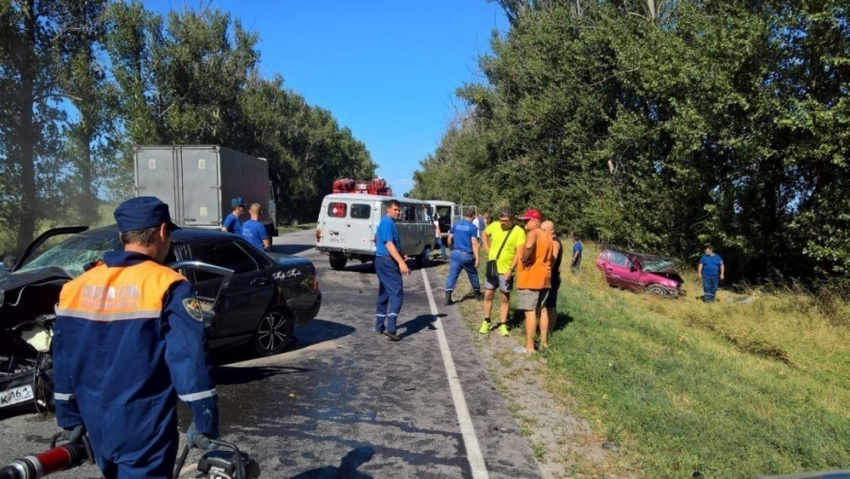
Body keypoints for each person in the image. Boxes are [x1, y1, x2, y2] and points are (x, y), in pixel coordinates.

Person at [52, 196, 219, 479]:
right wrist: (205, 419)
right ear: (163, 231)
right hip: (145, 428)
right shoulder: (168, 285)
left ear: (122, 235)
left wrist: (68, 417)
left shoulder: (75, 287)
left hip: (98, 424)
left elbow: (62, 360)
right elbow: (189, 361)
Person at [480, 207, 526, 336]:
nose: (502, 223)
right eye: (501, 220)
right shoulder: (494, 225)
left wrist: (511, 269)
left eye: (505, 220)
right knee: (488, 294)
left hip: (506, 269)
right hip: (493, 267)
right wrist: (487, 247)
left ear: (511, 220)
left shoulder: (518, 231)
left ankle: (503, 324)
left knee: (505, 298)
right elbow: (484, 233)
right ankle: (486, 320)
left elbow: (519, 253)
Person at [515, 209, 553, 353]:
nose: (524, 222)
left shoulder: (533, 233)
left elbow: (529, 246)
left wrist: (524, 259)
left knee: (529, 311)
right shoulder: (548, 235)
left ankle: (529, 346)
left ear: (536, 222)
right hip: (544, 277)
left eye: (527, 220)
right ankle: (543, 343)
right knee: (542, 310)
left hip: (531, 278)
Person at [375, 200, 410, 341]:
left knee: (384, 293)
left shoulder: (389, 223)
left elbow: (393, 243)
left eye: (399, 210)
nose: (398, 212)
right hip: (387, 262)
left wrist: (401, 254)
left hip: (383, 261)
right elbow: (389, 244)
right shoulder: (387, 222)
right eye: (395, 209)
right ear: (388, 210)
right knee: (397, 294)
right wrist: (401, 263)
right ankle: (391, 328)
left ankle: (379, 326)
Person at [445, 207, 483, 305]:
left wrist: (451, 248)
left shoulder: (456, 224)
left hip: (455, 253)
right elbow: (474, 243)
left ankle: (448, 295)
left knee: (453, 274)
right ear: (473, 216)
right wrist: (477, 259)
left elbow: (449, 239)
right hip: (466, 255)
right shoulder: (472, 227)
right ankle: (477, 293)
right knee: (473, 273)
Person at [541, 220, 562, 335]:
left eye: (544, 230)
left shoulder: (555, 242)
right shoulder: (549, 240)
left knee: (550, 305)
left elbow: (551, 260)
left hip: (552, 278)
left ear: (552, 231)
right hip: (548, 276)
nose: (542, 232)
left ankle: (549, 331)